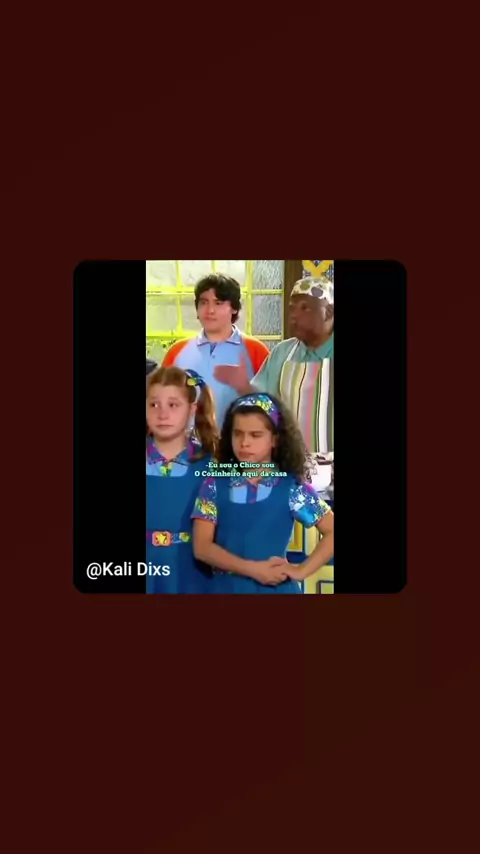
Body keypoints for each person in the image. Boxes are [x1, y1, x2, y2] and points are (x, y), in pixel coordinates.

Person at [191, 393, 334, 594]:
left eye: (255, 435)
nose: (244, 443)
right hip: (226, 590)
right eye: (238, 434)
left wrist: (301, 571)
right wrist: (253, 569)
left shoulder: (292, 488)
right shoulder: (214, 484)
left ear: (275, 439)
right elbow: (202, 548)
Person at [213, 275, 334, 456]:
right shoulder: (283, 353)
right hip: (291, 462)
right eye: (292, 308)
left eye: (305, 308)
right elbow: (264, 405)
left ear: (329, 312)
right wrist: (242, 386)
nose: (294, 315)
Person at [161, 274, 270, 428]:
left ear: (234, 308)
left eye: (218, 303)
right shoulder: (177, 351)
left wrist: (246, 388)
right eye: (203, 302)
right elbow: (160, 399)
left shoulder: (256, 350)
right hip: (186, 440)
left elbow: (272, 407)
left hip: (240, 439)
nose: (210, 310)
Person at [146, 366, 219, 594]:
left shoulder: (210, 466)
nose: (162, 414)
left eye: (173, 405)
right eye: (154, 405)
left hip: (192, 575)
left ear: (192, 409)